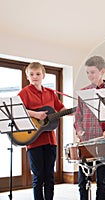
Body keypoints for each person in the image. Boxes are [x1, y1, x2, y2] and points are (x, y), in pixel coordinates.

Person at [18, 62, 67, 200]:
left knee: (49, 177)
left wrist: (76, 111)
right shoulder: (24, 93)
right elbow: (17, 110)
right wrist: (35, 114)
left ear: (43, 75)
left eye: (38, 74)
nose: (35, 77)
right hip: (33, 141)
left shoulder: (51, 93)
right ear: (27, 76)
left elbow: (62, 109)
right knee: (38, 177)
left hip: (51, 141)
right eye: (31, 74)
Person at [74, 55, 105, 200]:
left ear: (102, 71)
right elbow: (78, 117)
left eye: (92, 72)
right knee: (83, 181)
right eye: (87, 72)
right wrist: (79, 129)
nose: (89, 75)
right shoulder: (83, 92)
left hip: (103, 142)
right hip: (85, 142)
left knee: (102, 181)